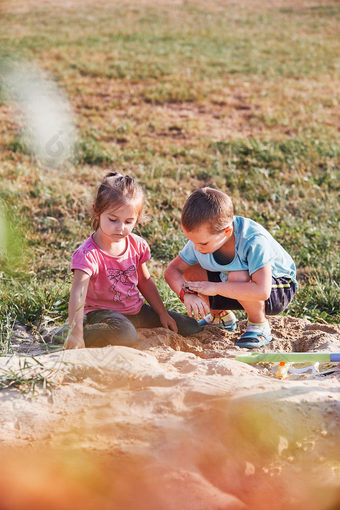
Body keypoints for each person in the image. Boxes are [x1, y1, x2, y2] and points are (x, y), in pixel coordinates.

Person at [65, 172, 201, 349]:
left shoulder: (136, 245)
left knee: (190, 326)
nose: (121, 228)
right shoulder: (88, 254)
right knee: (125, 335)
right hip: (102, 314)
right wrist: (75, 333)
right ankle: (67, 334)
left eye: (129, 221)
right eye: (113, 220)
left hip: (135, 311)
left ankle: (126, 327)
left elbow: (144, 281)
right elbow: (77, 293)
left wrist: (162, 313)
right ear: (97, 212)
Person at [164, 187, 297, 348]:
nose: (196, 248)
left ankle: (259, 325)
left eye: (203, 243)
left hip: (278, 288)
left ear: (227, 231)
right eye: (192, 241)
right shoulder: (202, 239)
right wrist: (187, 295)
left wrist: (215, 287)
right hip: (231, 282)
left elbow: (263, 290)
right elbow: (172, 271)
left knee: (238, 275)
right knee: (191, 268)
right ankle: (220, 316)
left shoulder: (252, 240)